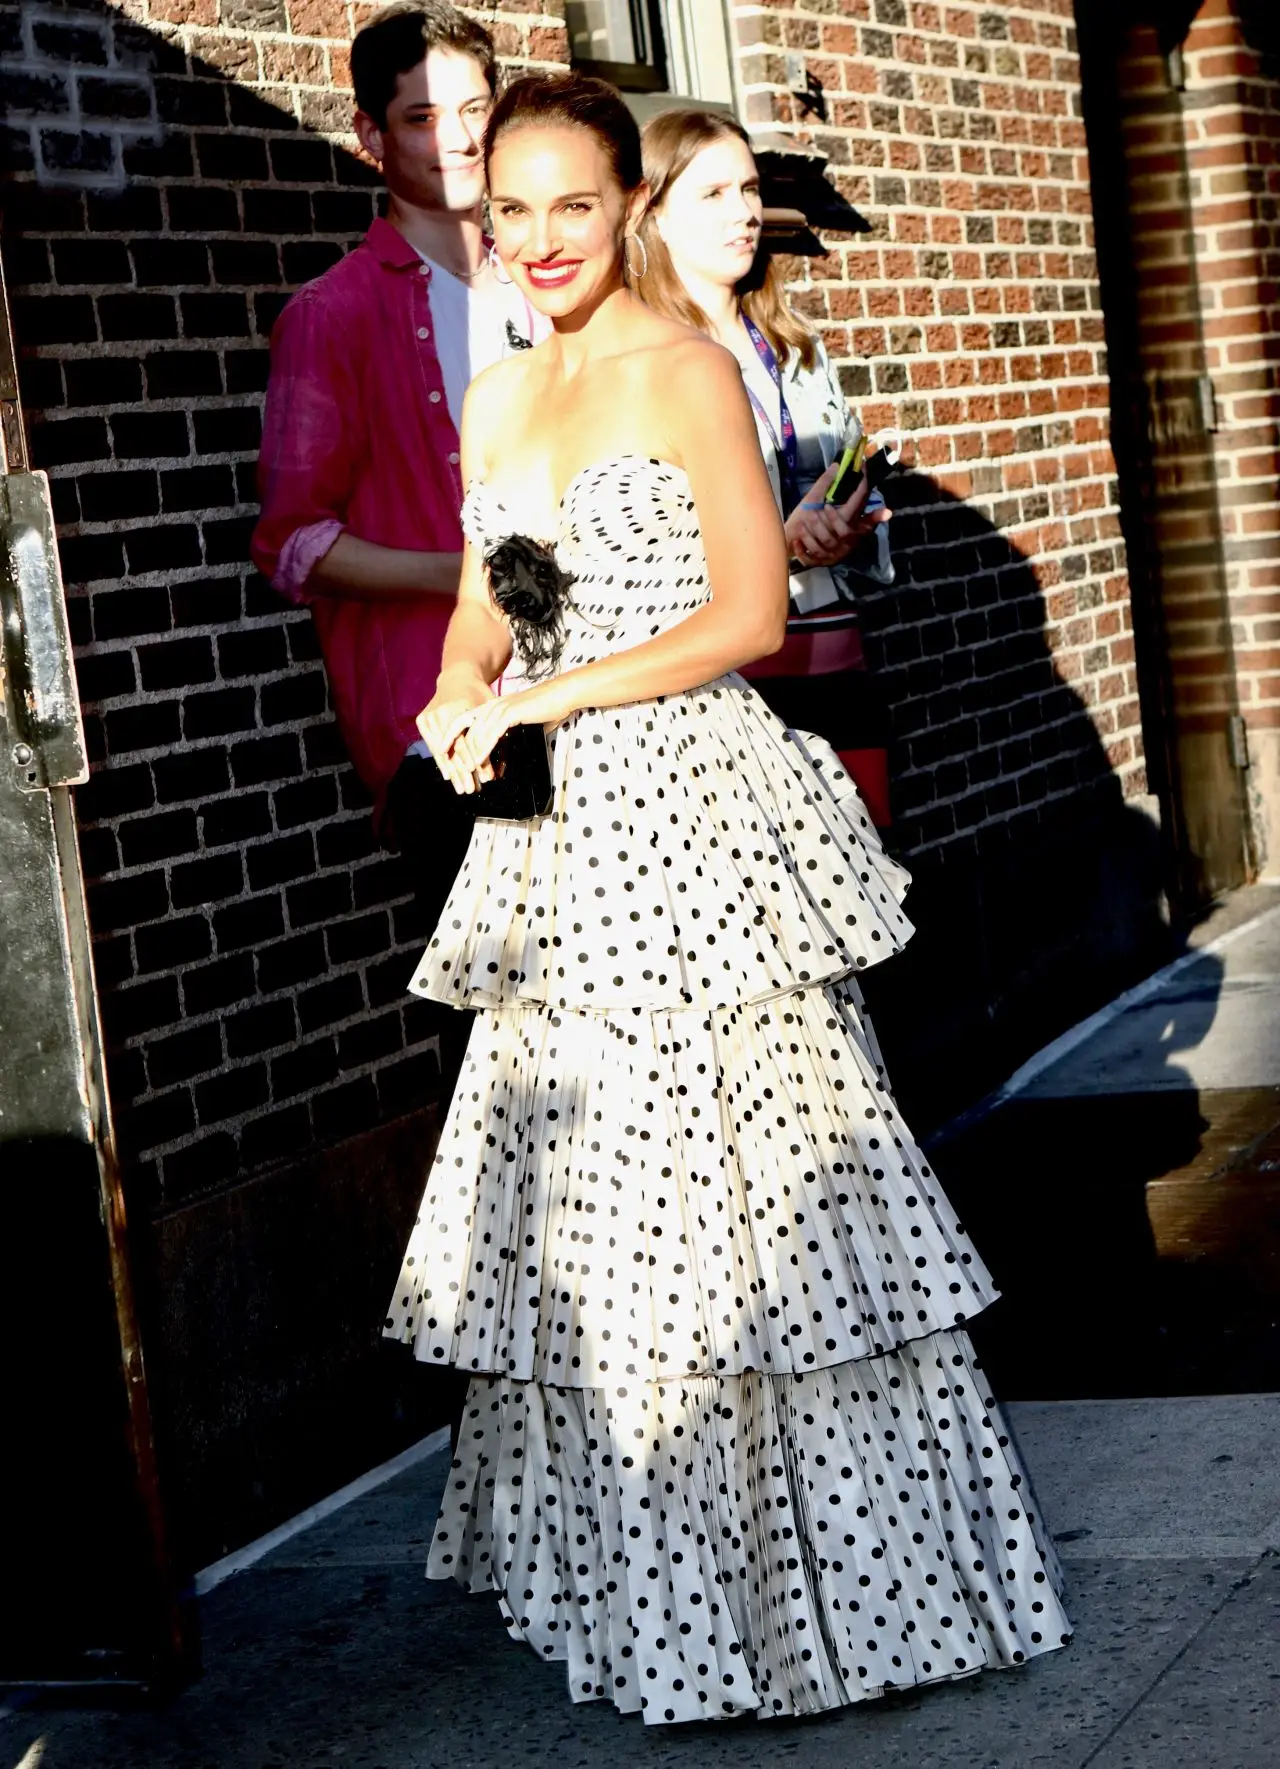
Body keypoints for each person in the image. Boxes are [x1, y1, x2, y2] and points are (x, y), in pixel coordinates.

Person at [384, 70, 1070, 1725]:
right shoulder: (500, 401)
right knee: (606, 1224)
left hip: (695, 821)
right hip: (556, 859)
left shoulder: (686, 368)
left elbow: (752, 617)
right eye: (509, 211)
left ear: (626, 206)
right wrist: (456, 688)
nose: (539, 239)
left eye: (571, 204)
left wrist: (541, 697)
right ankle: (672, 1612)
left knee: (754, 1216)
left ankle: (842, 1603)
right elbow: (500, 599)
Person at [250, 1, 543, 926]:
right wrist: (473, 578)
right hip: (447, 727)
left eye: (473, 110)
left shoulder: (553, 288)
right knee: (496, 1036)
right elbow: (294, 544)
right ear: (369, 132)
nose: (456, 139)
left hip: (592, 688)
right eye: (420, 117)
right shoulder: (330, 316)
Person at [637, 107, 897, 825]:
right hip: (725, 687)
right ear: (652, 212)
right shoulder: (645, 363)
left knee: (869, 904)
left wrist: (852, 524)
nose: (745, 213)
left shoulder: (798, 349)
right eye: (714, 194)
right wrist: (774, 545)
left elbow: (862, 519)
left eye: (750, 190)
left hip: (834, 659)